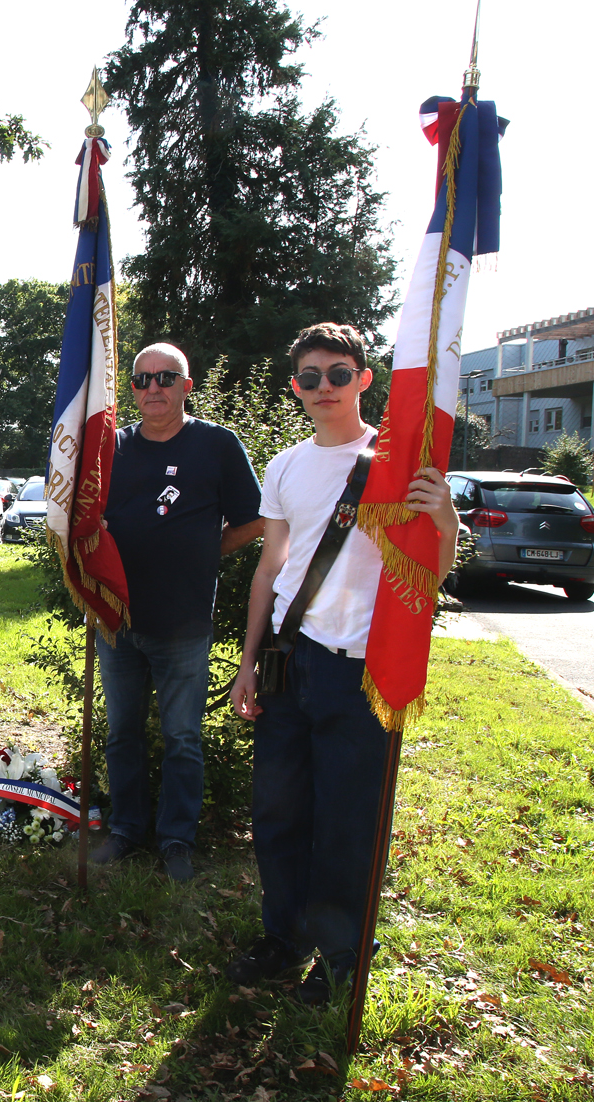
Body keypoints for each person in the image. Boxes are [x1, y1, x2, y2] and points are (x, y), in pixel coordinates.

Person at [226, 322, 459, 1004]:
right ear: (294, 386)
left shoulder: (392, 462)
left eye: (336, 373)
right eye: (308, 376)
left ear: (363, 378)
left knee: (345, 820)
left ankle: (339, 960)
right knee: (276, 810)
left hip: (356, 669)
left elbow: (428, 575)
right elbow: (270, 567)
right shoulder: (285, 465)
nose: (322, 387)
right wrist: (248, 662)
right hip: (285, 660)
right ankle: (283, 935)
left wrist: (443, 520)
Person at [89, 343, 264, 883]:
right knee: (122, 734)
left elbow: (254, 519)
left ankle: (176, 840)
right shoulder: (111, 448)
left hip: (184, 622)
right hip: (118, 621)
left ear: (187, 386)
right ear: (132, 389)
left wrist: (205, 551)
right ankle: (126, 830)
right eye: (142, 380)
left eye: (165, 378)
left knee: (183, 736)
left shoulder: (216, 445)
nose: (153, 388)